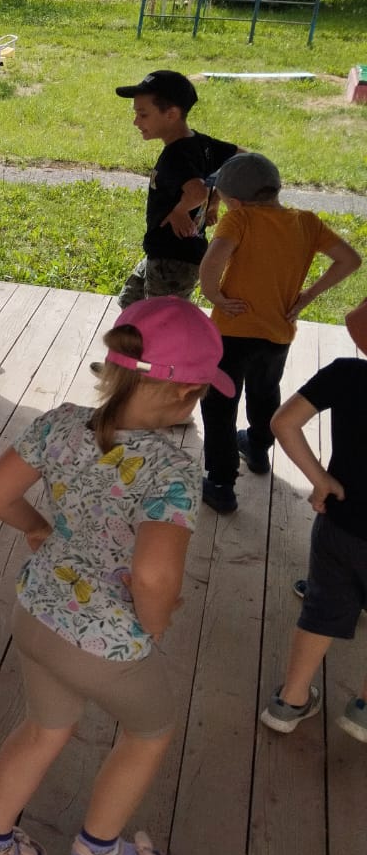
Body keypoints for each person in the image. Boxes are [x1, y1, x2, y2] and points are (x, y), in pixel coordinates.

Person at [0, 296, 234, 855]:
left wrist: (38, 528)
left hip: (36, 613)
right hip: (106, 643)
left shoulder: (59, 422)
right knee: (148, 732)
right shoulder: (171, 470)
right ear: (187, 393)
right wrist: (154, 621)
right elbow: (154, 574)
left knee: (43, 727)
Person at [196, 152, 361, 513]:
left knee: (219, 402)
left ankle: (221, 483)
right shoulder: (306, 222)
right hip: (278, 332)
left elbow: (212, 261)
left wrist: (214, 296)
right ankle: (257, 448)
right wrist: (307, 296)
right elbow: (350, 260)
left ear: (235, 201)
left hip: (232, 331)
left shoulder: (239, 219)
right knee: (264, 390)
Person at [259, 296, 367, 745]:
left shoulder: (347, 374)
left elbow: (283, 423)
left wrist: (320, 480)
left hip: (340, 524)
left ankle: (290, 701)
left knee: (321, 608)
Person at [114, 70, 238, 308]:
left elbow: (197, 191)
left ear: (171, 114)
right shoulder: (201, 143)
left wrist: (182, 210)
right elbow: (243, 158)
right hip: (163, 253)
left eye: (143, 114)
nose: (136, 122)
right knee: (130, 302)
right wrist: (215, 201)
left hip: (174, 260)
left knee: (160, 318)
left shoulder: (176, 156)